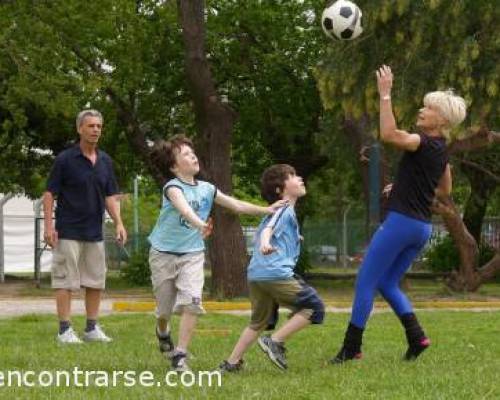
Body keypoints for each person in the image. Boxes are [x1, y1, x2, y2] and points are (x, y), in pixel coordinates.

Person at [331, 65, 467, 363]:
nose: (422, 109)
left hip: (401, 223)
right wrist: (406, 185)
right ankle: (417, 337)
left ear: (441, 119)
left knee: (365, 281)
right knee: (387, 283)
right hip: (420, 228)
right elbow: (444, 189)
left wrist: (385, 94)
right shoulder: (441, 150)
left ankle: (352, 348)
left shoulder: (422, 141)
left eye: (428, 107)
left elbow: (389, 134)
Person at [148, 135, 286, 372]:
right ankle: (163, 331)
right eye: (186, 155)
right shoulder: (172, 187)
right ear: (174, 166)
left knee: (192, 301)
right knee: (164, 310)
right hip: (163, 254)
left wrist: (266, 209)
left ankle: (180, 355)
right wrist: (199, 224)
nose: (193, 157)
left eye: (193, 153)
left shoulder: (207, 189)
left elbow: (236, 205)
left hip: (192, 254)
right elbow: (183, 207)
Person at [218, 164, 325, 373]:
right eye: (292, 176)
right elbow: (268, 230)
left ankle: (232, 363)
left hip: (257, 275)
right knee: (313, 307)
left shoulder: (281, 212)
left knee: (258, 322)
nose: (299, 178)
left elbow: (272, 229)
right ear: (279, 190)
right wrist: (266, 243)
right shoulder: (283, 208)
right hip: (275, 273)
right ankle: (275, 341)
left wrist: (295, 238)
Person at [43, 109, 127, 344]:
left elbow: (111, 196)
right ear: (80, 129)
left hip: (94, 232)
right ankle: (64, 330)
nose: (96, 130)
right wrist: (49, 227)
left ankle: (91, 328)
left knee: (95, 281)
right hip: (67, 230)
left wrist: (119, 223)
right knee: (65, 280)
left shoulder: (105, 161)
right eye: (91, 126)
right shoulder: (65, 159)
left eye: (99, 126)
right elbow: (49, 194)